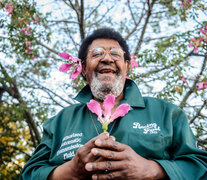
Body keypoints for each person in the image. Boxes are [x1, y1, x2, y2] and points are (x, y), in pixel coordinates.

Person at [20, 28, 207, 180]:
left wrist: (152, 170)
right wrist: (70, 171)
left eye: (115, 54)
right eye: (97, 53)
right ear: (84, 68)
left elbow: (200, 166)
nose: (107, 58)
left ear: (127, 66)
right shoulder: (60, 121)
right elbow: (29, 174)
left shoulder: (167, 113)